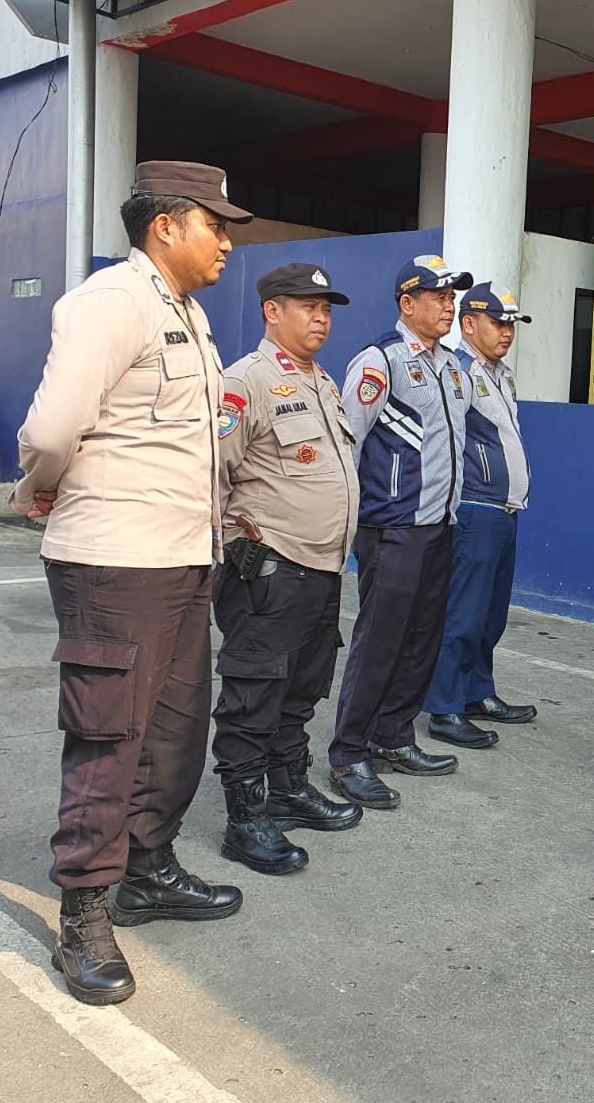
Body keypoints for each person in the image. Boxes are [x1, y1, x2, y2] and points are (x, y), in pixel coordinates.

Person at [14, 161, 253, 1007]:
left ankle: (147, 871)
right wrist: (40, 485)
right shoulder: (110, 302)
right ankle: (83, 913)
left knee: (175, 730)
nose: (227, 242)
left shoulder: (186, 313)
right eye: (214, 225)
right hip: (115, 561)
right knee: (109, 735)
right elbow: (52, 429)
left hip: (182, 557)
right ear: (165, 226)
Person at [211, 263, 364, 876]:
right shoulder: (245, 382)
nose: (321, 318)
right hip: (269, 569)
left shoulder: (322, 381)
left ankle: (288, 790)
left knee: (301, 689)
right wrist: (225, 550)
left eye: (326, 309)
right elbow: (210, 473)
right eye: (308, 307)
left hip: (321, 568)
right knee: (253, 695)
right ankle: (245, 820)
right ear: (272, 311)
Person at [325, 255, 474, 808]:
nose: (448, 306)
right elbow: (347, 444)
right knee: (380, 642)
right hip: (392, 529)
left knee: (421, 640)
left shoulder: (452, 367)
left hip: (439, 527)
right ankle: (348, 753)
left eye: (452, 298)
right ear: (407, 304)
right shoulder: (380, 361)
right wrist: (344, 524)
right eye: (438, 297)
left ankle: (393, 735)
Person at [422, 282, 540, 747]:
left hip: (505, 512)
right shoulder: (458, 373)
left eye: (511, 323)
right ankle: (445, 708)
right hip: (475, 509)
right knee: (464, 615)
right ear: (469, 324)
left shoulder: (501, 374)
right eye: (497, 322)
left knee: (491, 615)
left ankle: (477, 693)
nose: (507, 331)